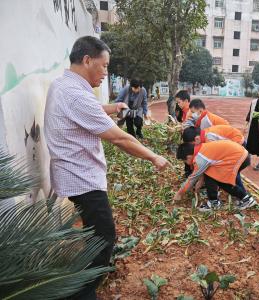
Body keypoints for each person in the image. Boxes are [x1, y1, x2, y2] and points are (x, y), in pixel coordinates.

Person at [44, 36, 170, 300]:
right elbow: (119, 138)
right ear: (87, 60)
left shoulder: (63, 85)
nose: (106, 73)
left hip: (72, 173)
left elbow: (86, 110)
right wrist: (154, 157)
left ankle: (82, 280)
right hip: (82, 178)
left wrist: (112, 108)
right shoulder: (77, 95)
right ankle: (80, 292)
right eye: (104, 66)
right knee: (104, 237)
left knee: (95, 232)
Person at [173, 140, 256, 211]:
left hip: (239, 157)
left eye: (184, 161)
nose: (186, 163)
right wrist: (200, 182)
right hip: (240, 155)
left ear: (188, 157)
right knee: (211, 173)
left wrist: (179, 194)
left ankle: (247, 199)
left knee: (222, 180)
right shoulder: (200, 150)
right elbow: (204, 171)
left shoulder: (200, 158)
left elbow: (192, 179)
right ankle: (214, 201)